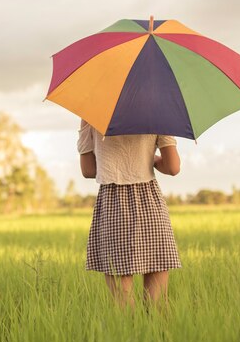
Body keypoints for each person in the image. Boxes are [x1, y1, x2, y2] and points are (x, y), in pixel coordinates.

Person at [77, 118, 182, 313]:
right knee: (157, 304)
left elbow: (88, 170)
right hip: (149, 203)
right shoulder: (157, 111)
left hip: (113, 204)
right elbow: (173, 167)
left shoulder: (91, 114)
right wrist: (154, 159)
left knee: (122, 302)